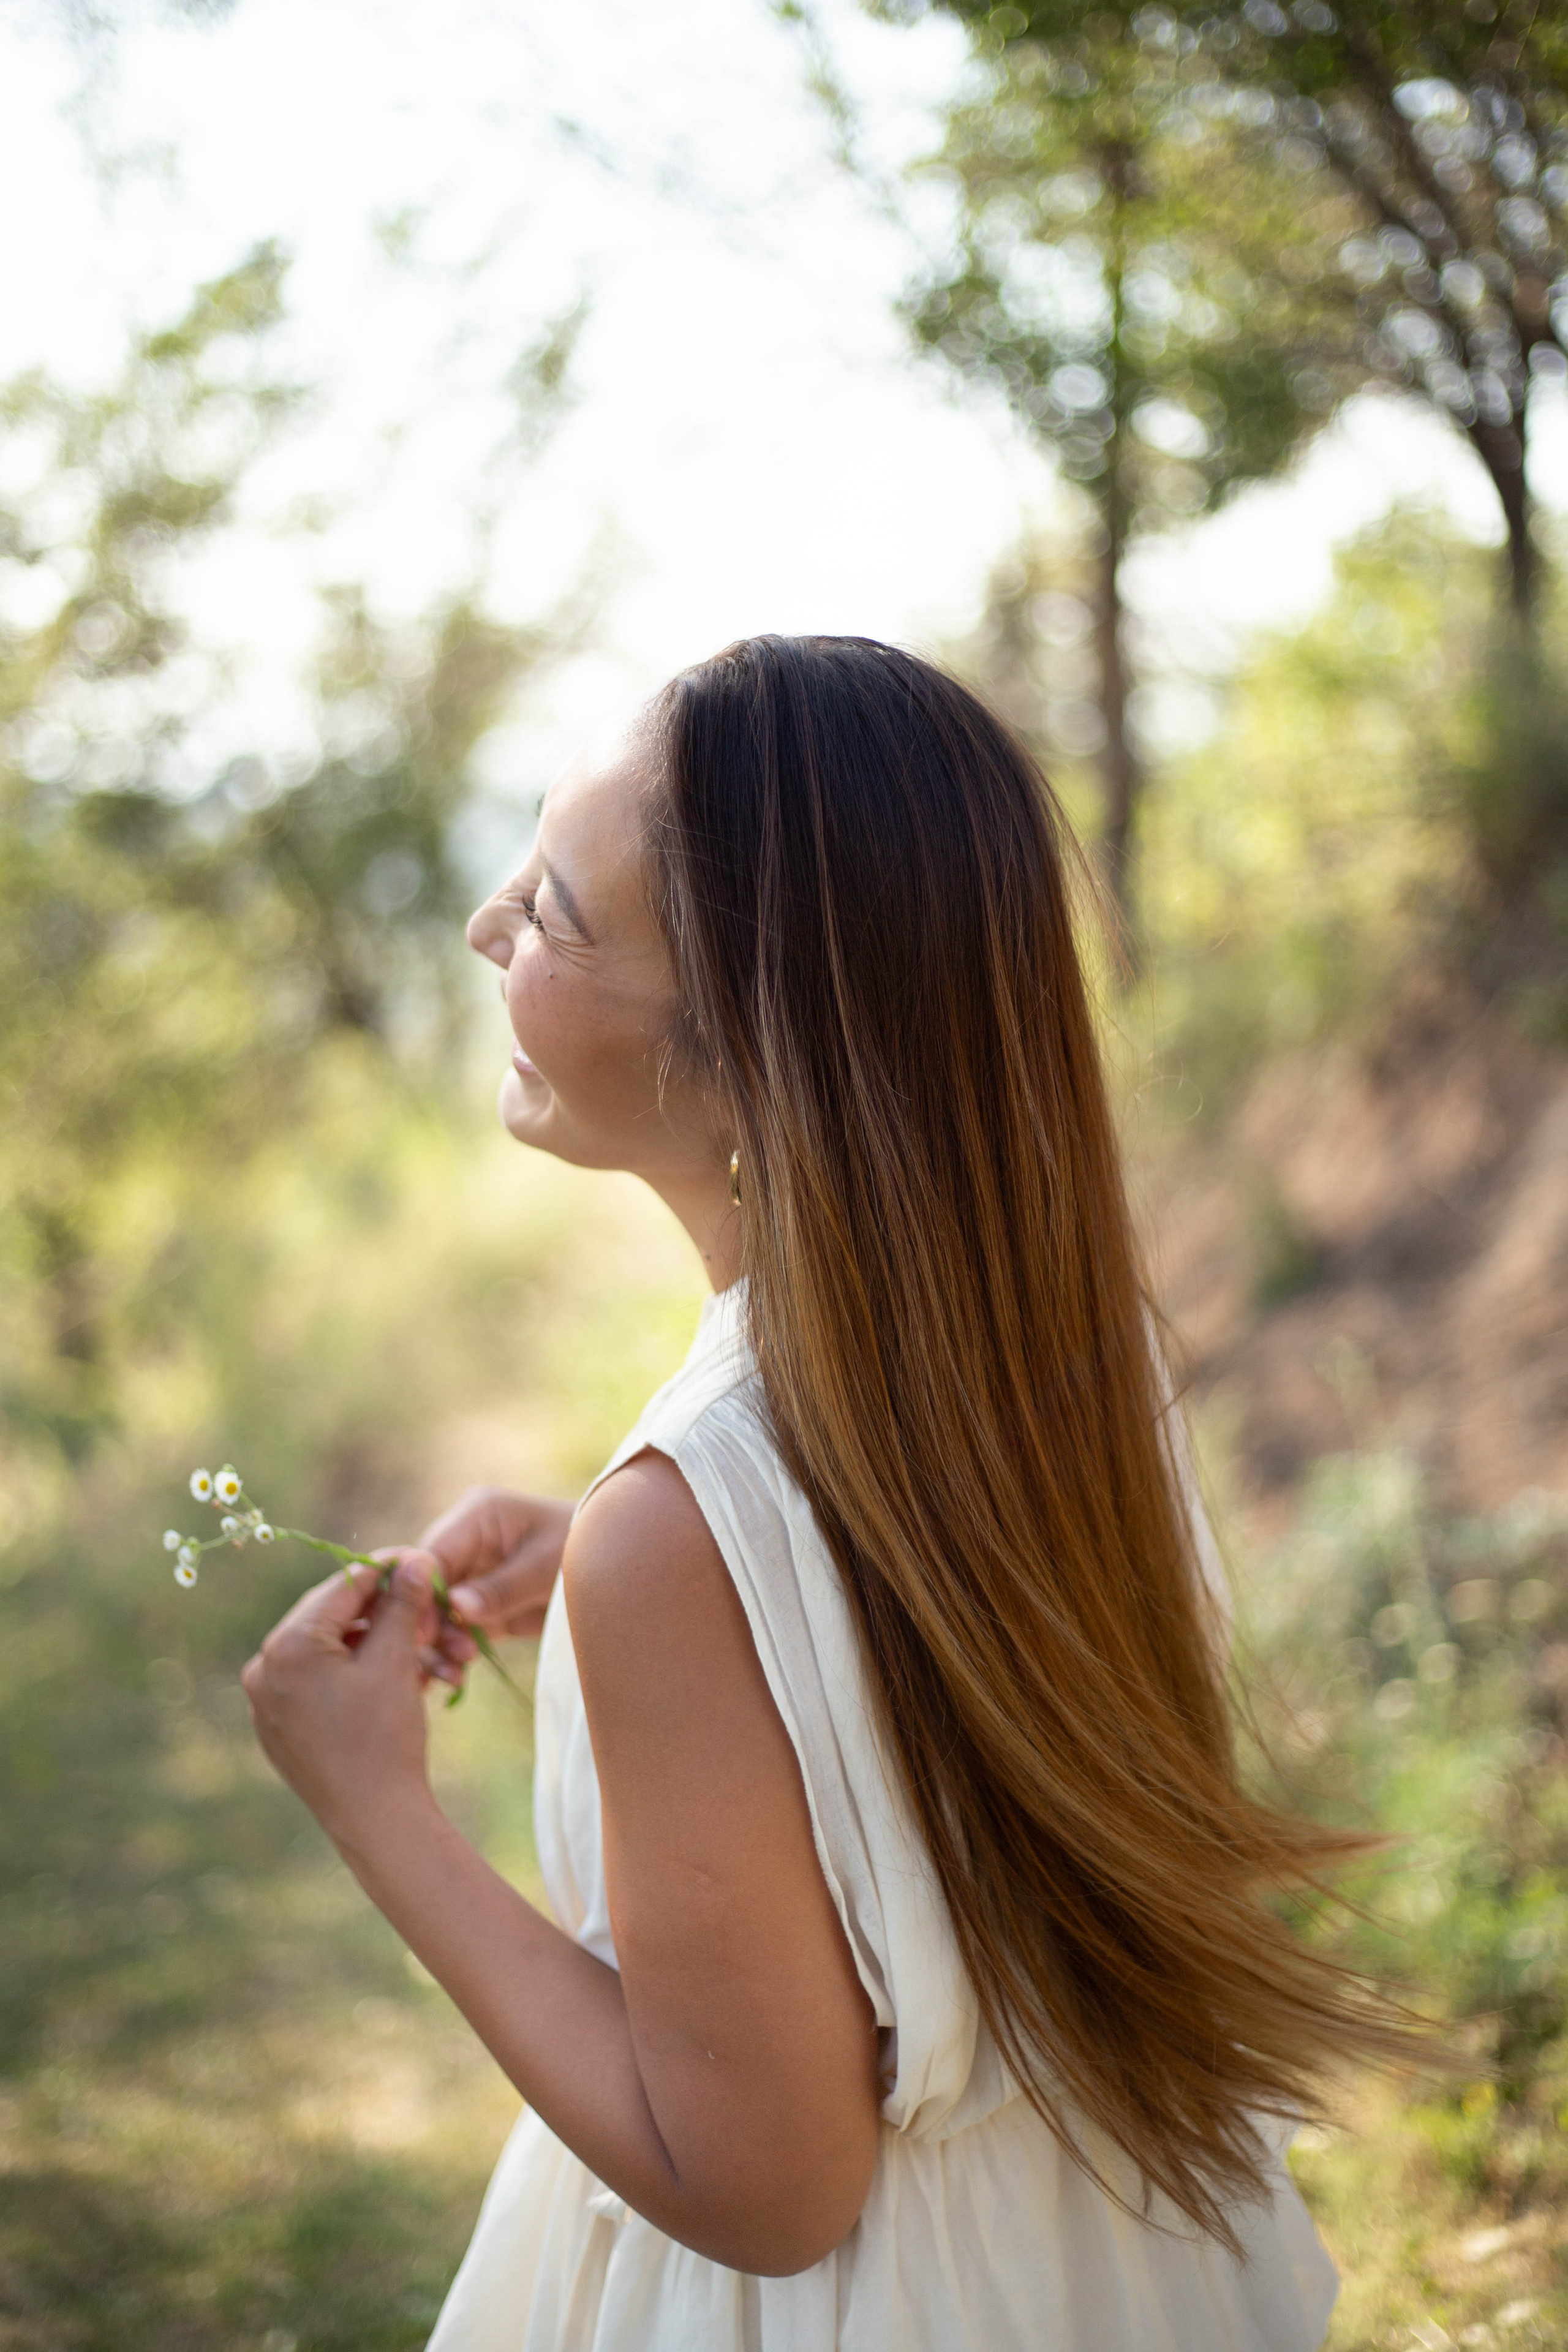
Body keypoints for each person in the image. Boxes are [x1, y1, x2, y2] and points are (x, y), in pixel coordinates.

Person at [243, 636, 1398, 2352]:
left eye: (555, 910)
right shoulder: (1060, 1347)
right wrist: (674, 1595)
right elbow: (941, 1672)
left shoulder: (685, 1527)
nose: (490, 925)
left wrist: (375, 1807)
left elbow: (767, 2190)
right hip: (1095, 2256)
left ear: (742, 1051)